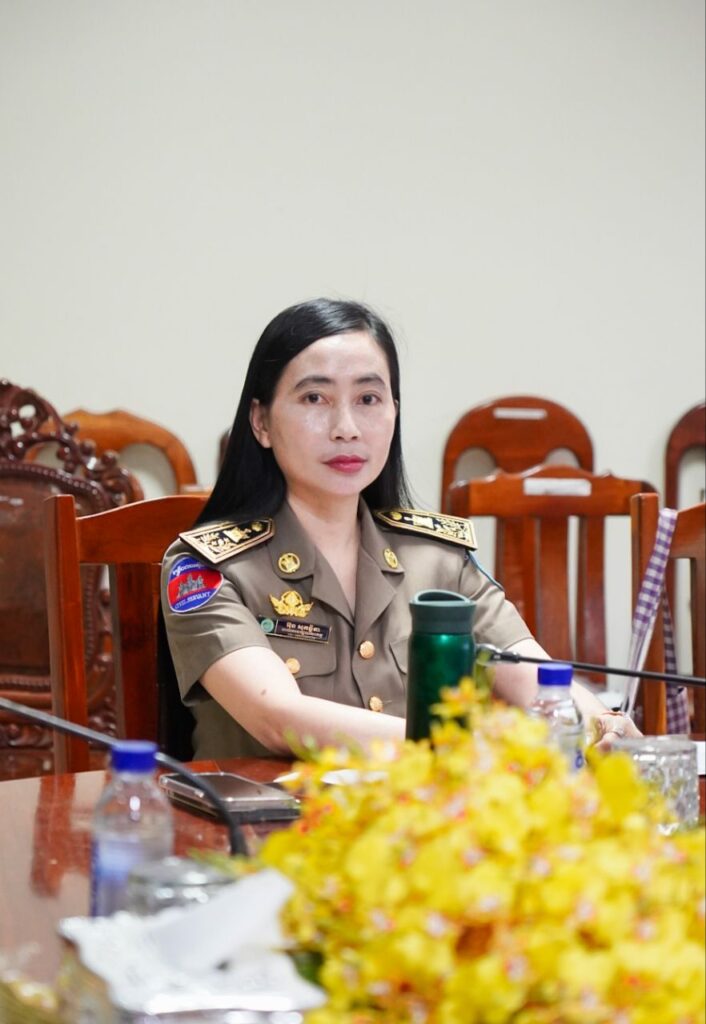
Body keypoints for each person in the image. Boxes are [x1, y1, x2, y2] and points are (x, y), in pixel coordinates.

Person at [160, 297, 638, 759]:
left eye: (368, 398)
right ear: (261, 422)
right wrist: (464, 748)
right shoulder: (205, 569)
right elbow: (277, 718)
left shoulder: (438, 560)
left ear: (394, 412)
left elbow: (534, 676)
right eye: (314, 397)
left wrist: (601, 723)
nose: (346, 427)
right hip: (270, 812)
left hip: (415, 811)